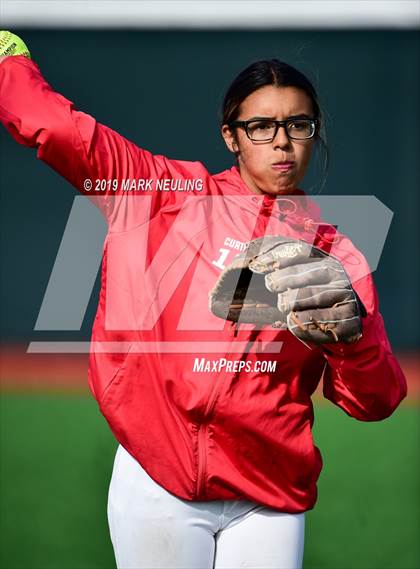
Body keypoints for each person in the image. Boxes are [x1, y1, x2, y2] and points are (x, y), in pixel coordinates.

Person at [0, 38, 407, 569]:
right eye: (261, 126)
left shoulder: (334, 256)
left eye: (299, 125)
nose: (282, 142)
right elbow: (57, 129)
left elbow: (374, 402)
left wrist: (353, 343)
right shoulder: (162, 195)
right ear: (231, 137)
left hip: (268, 495)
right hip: (159, 479)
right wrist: (10, 62)